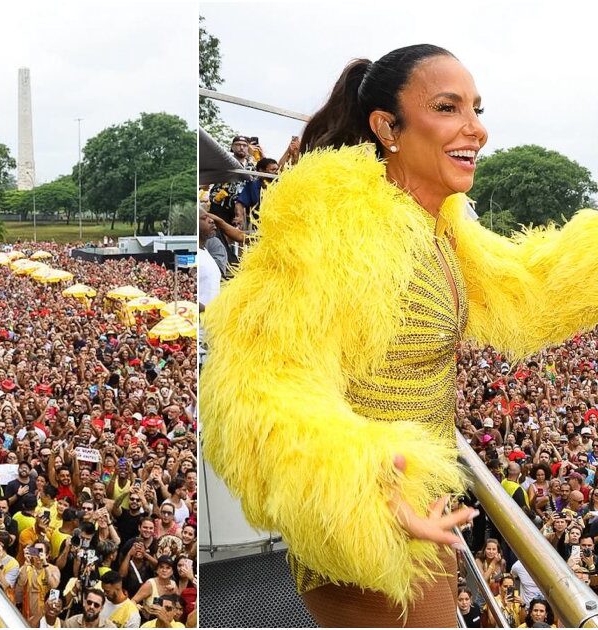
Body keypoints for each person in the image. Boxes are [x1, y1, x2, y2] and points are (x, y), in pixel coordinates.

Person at [201, 43, 598, 627]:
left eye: (477, 108)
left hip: (420, 512)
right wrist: (371, 489)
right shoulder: (334, 224)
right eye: (448, 107)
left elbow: (529, 291)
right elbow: (262, 377)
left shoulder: (436, 223)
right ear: (388, 126)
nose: (476, 130)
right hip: (370, 527)